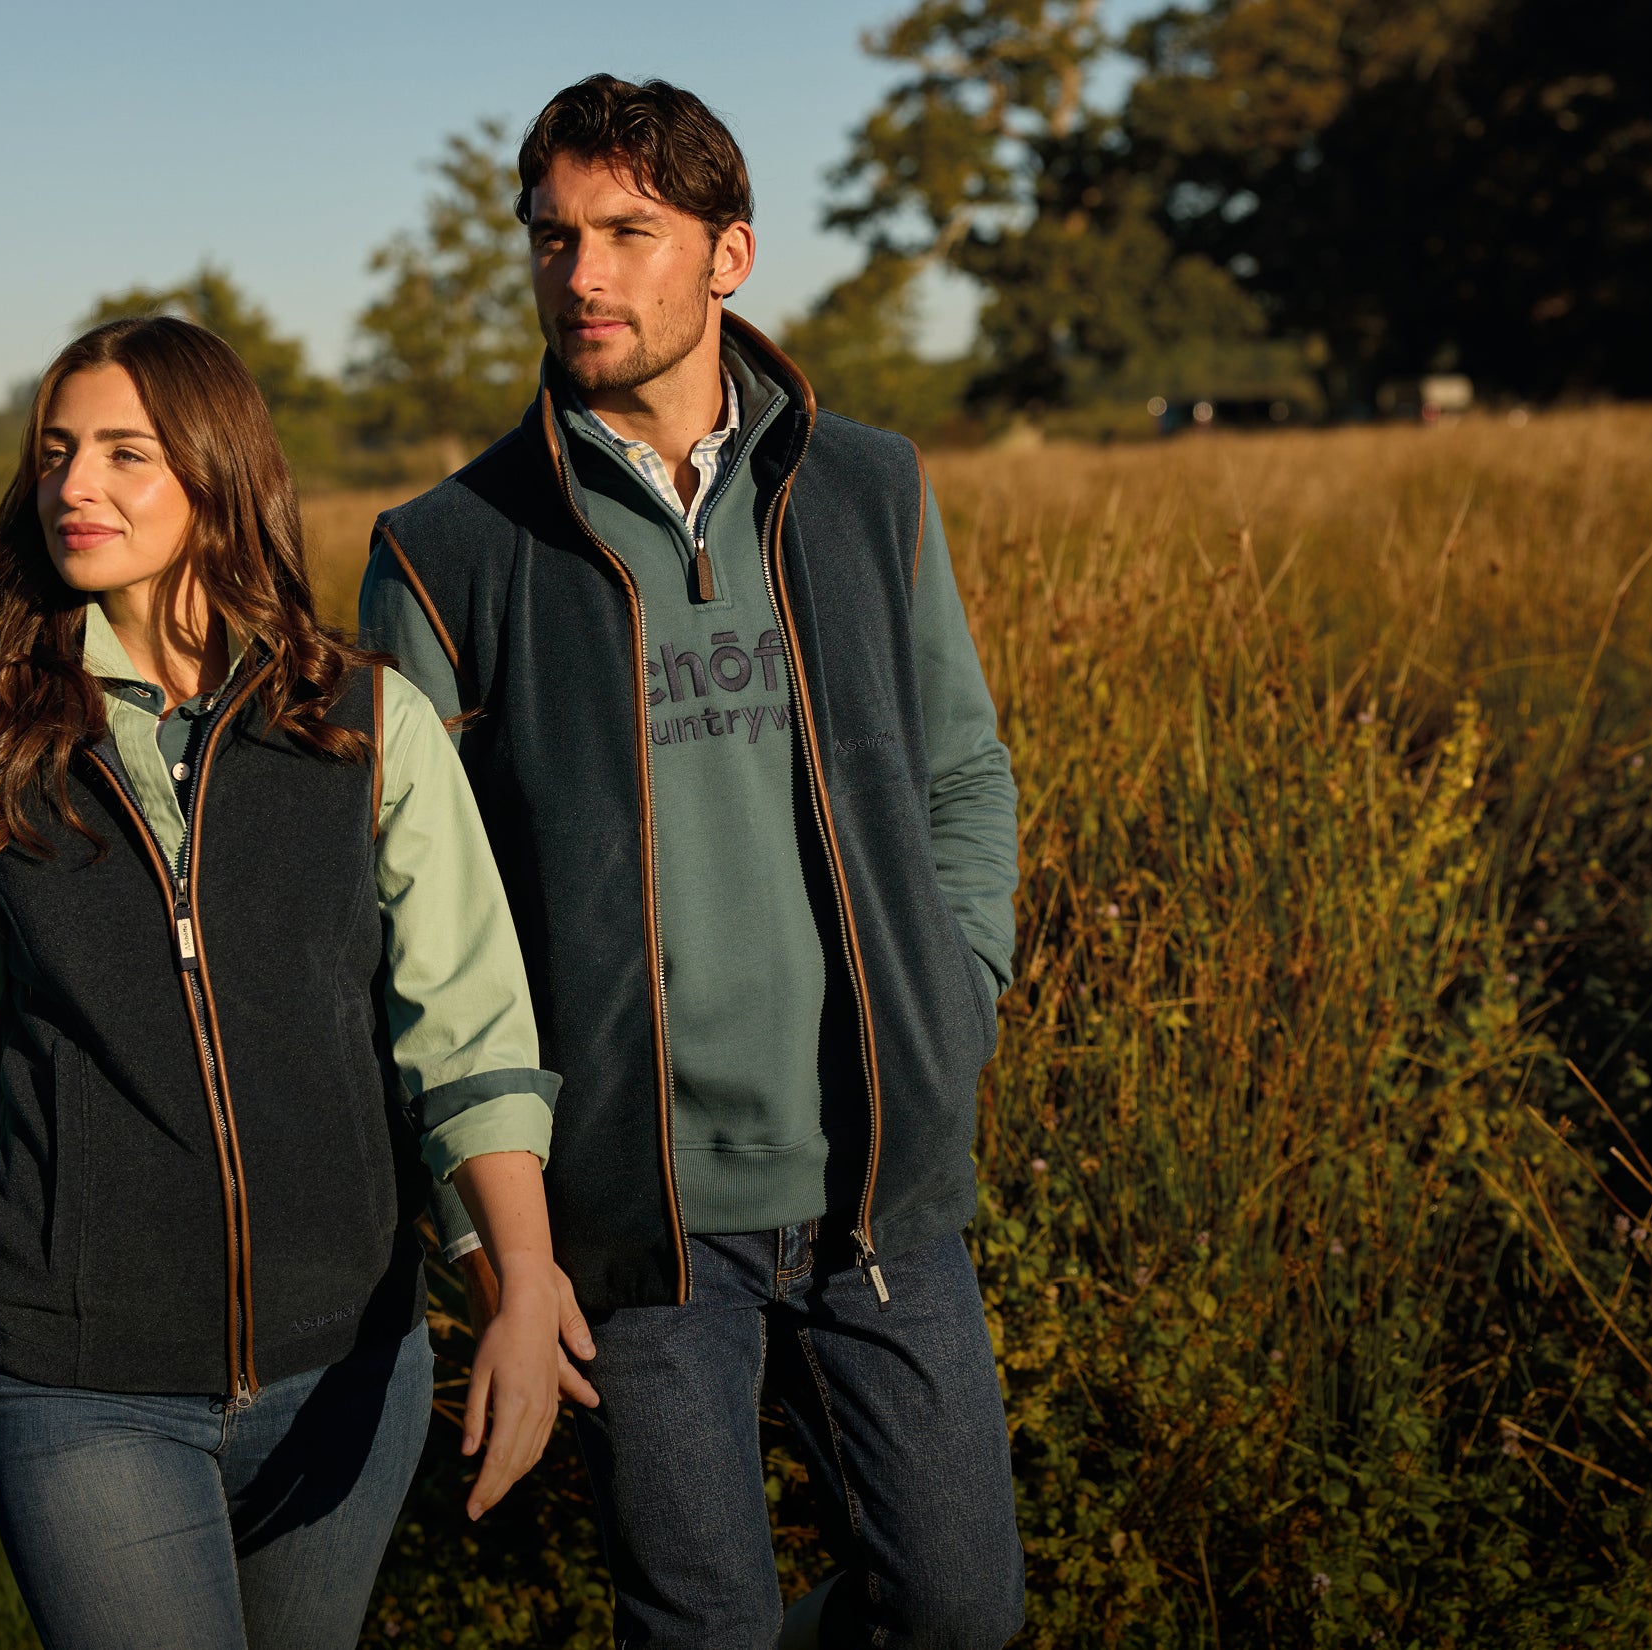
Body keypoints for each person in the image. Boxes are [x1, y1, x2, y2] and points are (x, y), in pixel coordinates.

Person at [359, 77, 1025, 1650]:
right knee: (699, 1627)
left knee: (960, 1609)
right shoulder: (444, 552)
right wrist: (490, 1232)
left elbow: (962, 771)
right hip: (624, 1223)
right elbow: (400, 928)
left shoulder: (870, 490)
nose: (580, 274)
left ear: (729, 253)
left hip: (877, 1185)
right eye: (553, 237)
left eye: (627, 232)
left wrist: (956, 998)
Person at [0, 315, 591, 1650]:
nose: (73, 485)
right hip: (84, 1378)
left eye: (124, 453)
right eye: (55, 453)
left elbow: (467, 1033)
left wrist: (520, 1274)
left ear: (218, 472)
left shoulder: (370, 725)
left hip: (347, 1366)